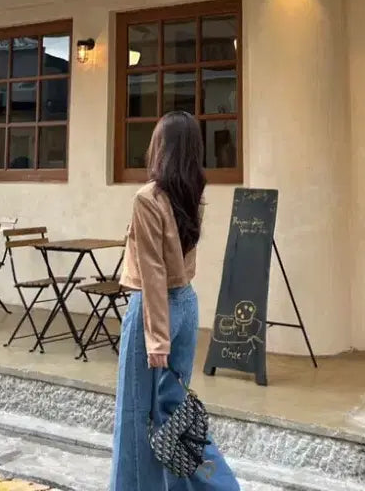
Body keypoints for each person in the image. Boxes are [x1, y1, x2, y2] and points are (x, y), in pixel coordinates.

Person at [111, 110, 240, 490]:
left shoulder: (147, 198)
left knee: (136, 416)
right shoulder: (192, 195)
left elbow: (152, 272)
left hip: (155, 310)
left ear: (160, 147)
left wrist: (156, 340)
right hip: (186, 303)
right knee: (175, 414)